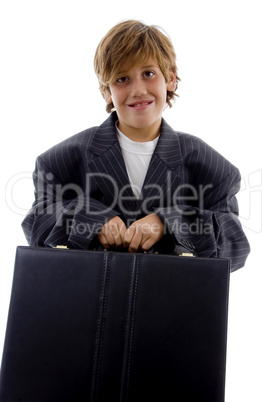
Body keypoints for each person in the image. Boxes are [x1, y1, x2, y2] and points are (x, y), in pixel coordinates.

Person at [22, 19, 250, 272]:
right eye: (122, 79)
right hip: (83, 305)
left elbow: (235, 248)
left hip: (171, 304)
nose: (138, 90)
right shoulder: (58, 161)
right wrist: (91, 217)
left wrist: (170, 221)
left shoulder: (213, 167)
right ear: (106, 92)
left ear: (171, 79)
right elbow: (35, 227)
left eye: (148, 74)